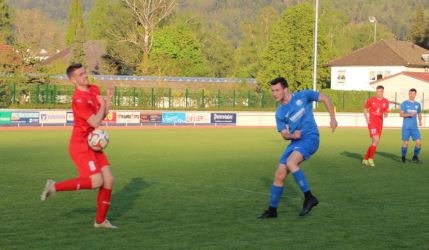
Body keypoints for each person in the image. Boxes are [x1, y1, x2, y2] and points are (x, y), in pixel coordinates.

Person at [40, 63, 117, 229]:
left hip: (93, 143)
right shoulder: (78, 100)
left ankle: (101, 221)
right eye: (81, 74)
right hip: (81, 144)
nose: (85, 75)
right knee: (96, 181)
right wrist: (103, 103)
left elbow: (102, 115)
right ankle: (54, 186)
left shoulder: (94, 89)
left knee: (109, 180)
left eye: (85, 72)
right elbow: (96, 122)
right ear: (73, 80)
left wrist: (108, 99)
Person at [258, 77, 338, 219]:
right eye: (272, 91)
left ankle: (309, 197)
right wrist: (291, 136)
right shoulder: (280, 113)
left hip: (310, 138)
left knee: (291, 162)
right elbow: (284, 134)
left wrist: (332, 118)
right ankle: (272, 210)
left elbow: (325, 98)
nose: (274, 93)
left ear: (285, 89)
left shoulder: (303, 95)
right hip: (295, 142)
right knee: (279, 175)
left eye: (277, 90)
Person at [362, 85, 389, 167]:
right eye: (377, 91)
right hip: (372, 123)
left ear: (383, 92)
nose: (378, 93)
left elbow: (385, 115)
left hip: (379, 124)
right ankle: (371, 158)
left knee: (375, 142)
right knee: (376, 139)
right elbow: (365, 109)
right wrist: (367, 119)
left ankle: (365, 159)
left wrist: (387, 112)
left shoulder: (386, 101)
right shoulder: (371, 100)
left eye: (380, 91)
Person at [400, 88, 423, 164]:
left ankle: (415, 156)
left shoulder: (417, 104)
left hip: (414, 127)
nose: (411, 95)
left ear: (415, 94)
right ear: (408, 94)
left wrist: (420, 121)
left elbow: (419, 113)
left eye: (413, 94)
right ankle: (403, 157)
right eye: (410, 93)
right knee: (406, 143)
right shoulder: (404, 103)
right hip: (406, 127)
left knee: (419, 143)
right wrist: (409, 114)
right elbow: (401, 114)